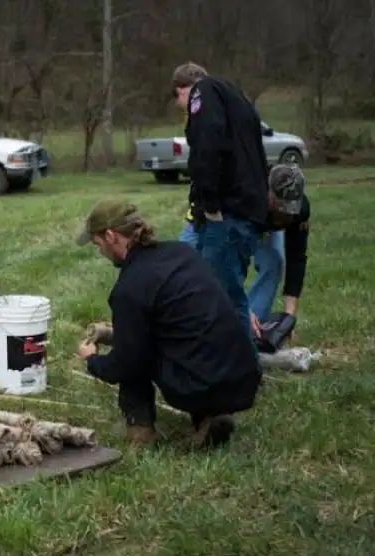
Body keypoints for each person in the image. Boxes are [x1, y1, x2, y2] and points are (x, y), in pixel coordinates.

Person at [75, 200, 262, 448]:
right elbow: (178, 323)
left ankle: (140, 431)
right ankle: (211, 416)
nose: (99, 251)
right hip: (244, 376)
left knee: (136, 357)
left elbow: (125, 364)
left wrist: (91, 360)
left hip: (200, 386)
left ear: (110, 236)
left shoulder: (129, 288)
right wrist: (114, 333)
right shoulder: (181, 253)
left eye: (97, 244)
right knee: (187, 346)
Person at [172, 62, 269, 339]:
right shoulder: (236, 97)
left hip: (227, 214)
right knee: (224, 291)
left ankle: (241, 370)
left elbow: (208, 145)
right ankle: (228, 360)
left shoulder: (203, 92)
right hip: (249, 211)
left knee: (223, 297)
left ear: (181, 91)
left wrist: (210, 204)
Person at [250, 164, 310, 336]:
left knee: (273, 263)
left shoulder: (300, 211)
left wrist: (288, 318)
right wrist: (243, 310)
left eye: (289, 210)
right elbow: (230, 264)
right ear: (268, 192)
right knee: (202, 270)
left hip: (264, 224)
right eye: (280, 206)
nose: (285, 215)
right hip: (223, 220)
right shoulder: (249, 196)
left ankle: (253, 330)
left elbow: (296, 259)